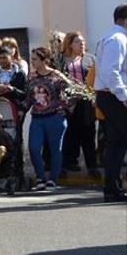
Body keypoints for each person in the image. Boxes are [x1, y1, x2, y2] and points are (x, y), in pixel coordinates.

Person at [93, 4, 127, 203]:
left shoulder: (112, 37)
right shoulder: (117, 39)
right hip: (114, 96)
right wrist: (124, 96)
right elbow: (110, 72)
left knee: (117, 143)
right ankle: (112, 187)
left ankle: (111, 188)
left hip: (110, 96)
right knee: (117, 142)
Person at [26, 47, 70, 190]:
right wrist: (22, 110)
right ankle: (40, 178)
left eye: (34, 59)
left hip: (55, 117)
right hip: (37, 118)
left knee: (55, 149)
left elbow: (72, 90)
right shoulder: (31, 76)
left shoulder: (56, 75)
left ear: (44, 60)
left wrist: (66, 106)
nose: (32, 62)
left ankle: (53, 179)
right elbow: (28, 97)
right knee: (33, 147)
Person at [61, 31, 98, 175]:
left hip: (86, 102)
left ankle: (92, 166)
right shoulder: (62, 60)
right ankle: (69, 164)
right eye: (77, 42)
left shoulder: (90, 59)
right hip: (68, 103)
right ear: (69, 44)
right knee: (70, 134)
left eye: (82, 41)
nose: (82, 44)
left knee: (88, 134)